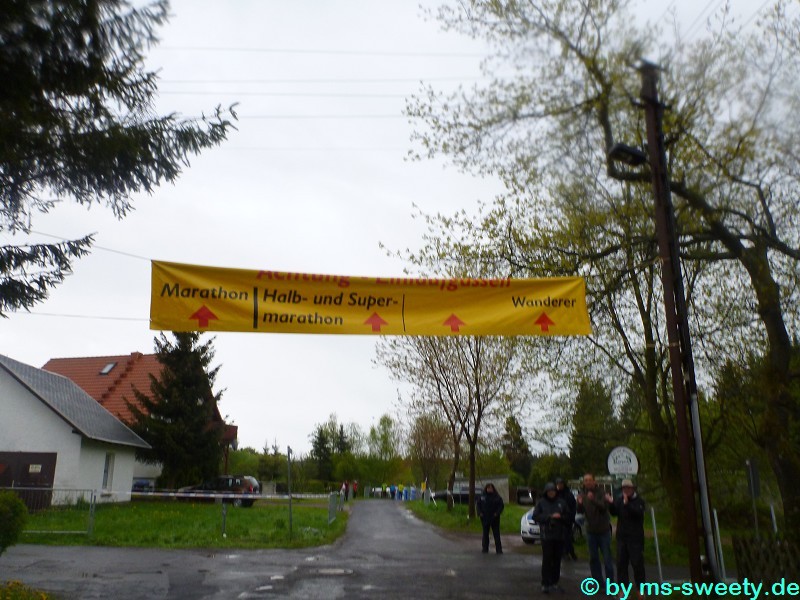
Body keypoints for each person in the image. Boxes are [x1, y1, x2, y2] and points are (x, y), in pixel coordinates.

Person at [577, 473, 615, 584]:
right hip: (590, 531)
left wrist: (593, 499)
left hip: (603, 531)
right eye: (586, 480)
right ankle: (598, 582)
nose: (588, 482)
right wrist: (579, 504)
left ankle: (610, 583)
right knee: (593, 559)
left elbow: (604, 508)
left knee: (607, 558)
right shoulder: (582, 494)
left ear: (594, 481)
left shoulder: (602, 492)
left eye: (590, 480)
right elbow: (580, 511)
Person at [610, 479, 646, 592]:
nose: (626, 490)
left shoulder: (639, 501)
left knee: (637, 564)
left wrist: (627, 504)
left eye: (628, 488)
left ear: (632, 489)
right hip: (622, 537)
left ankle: (641, 589)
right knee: (621, 564)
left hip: (635, 538)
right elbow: (614, 512)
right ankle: (623, 589)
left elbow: (638, 513)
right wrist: (611, 503)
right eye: (624, 488)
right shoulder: (620, 500)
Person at [533, 482, 569, 593]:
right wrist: (549, 517)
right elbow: (536, 516)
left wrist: (560, 517)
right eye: (549, 491)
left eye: (553, 491)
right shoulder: (541, 503)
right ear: (546, 492)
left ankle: (554, 582)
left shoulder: (562, 502)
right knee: (547, 559)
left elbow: (568, 516)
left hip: (559, 535)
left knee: (557, 560)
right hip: (546, 535)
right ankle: (545, 583)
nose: (551, 493)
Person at [476, 482, 504, 554]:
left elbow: (501, 506)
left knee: (496, 534)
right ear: (486, 489)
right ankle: (485, 548)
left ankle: (499, 549)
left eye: (491, 488)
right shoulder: (482, 496)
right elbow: (478, 505)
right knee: (485, 534)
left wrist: (497, 513)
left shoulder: (497, 497)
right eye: (488, 488)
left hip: (494, 518)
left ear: (493, 489)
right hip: (485, 517)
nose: (489, 489)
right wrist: (480, 513)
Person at [555, 477, 578, 560]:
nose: (559, 485)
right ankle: (565, 553)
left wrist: (571, 517)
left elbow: (573, 507)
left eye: (561, 484)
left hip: (567, 519)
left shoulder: (568, 494)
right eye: (558, 484)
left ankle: (569, 552)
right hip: (557, 520)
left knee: (567, 537)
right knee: (560, 538)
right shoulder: (555, 494)